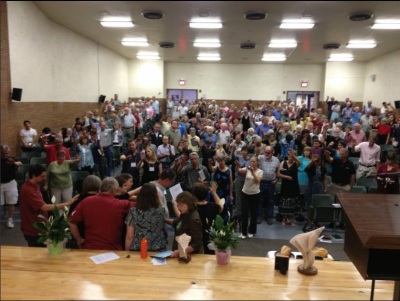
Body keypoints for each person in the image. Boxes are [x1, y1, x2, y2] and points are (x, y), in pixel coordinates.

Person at [69, 177, 135, 250]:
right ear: (114, 190)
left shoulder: (86, 201)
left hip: (89, 248)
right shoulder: (121, 204)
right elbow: (141, 206)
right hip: (113, 249)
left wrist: (79, 240)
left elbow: (71, 221)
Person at [19, 164, 78, 247]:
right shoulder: (28, 190)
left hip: (39, 227)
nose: (44, 179)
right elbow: (44, 207)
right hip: (33, 230)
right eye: (42, 176)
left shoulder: (34, 186)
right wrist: (67, 203)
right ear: (34, 176)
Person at [124, 183, 167, 252]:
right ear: (155, 195)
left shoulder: (134, 211)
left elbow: (130, 236)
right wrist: (158, 198)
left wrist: (126, 252)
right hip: (158, 248)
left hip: (139, 248)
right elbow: (166, 211)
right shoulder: (161, 210)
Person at [66, 175, 102, 249]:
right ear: (99, 186)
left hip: (80, 235)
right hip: (98, 237)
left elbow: (70, 221)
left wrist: (78, 239)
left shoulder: (76, 199)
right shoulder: (102, 200)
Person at [166, 191, 204, 257]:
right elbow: (178, 223)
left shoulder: (193, 219)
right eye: (178, 205)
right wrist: (165, 220)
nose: (179, 208)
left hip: (189, 256)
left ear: (188, 204)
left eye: (181, 205)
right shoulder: (185, 214)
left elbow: (196, 244)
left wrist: (179, 252)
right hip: (180, 252)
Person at [191, 182, 223, 254]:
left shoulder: (192, 210)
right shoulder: (213, 206)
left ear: (194, 197)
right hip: (212, 239)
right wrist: (214, 193)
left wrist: (175, 205)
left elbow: (181, 216)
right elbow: (220, 205)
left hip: (198, 240)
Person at [237, 155, 263, 239]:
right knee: (244, 213)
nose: (252, 163)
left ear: (257, 163)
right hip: (245, 193)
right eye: (251, 161)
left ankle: (251, 231)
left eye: (253, 161)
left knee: (253, 213)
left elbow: (258, 180)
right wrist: (237, 165)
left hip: (255, 194)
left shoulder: (260, 171)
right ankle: (244, 232)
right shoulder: (247, 168)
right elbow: (239, 171)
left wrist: (252, 172)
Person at [1, 145, 23, 229]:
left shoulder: (11, 159)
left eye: (7, 153)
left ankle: (10, 219)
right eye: (4, 153)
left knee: (11, 202)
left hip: (10, 183)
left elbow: (20, 163)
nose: (6, 154)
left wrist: (13, 163)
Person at [258, 146, 280, 225]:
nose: (266, 154)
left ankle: (269, 216)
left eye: (268, 153)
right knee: (260, 199)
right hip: (262, 182)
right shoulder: (260, 158)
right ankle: (259, 216)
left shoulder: (276, 160)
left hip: (271, 183)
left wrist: (277, 179)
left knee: (270, 200)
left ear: (272, 152)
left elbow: (278, 171)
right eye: (265, 152)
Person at [208, 154, 233, 224]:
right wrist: (210, 163)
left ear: (224, 161)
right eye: (219, 161)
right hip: (216, 191)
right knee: (215, 208)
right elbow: (211, 169)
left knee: (224, 208)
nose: (220, 162)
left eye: (221, 161)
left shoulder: (229, 171)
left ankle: (224, 225)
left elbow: (231, 183)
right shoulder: (216, 168)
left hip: (225, 192)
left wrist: (231, 194)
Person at [278, 150, 300, 227]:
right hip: (285, 185)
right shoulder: (283, 163)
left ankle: (292, 219)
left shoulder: (296, 163)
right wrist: (286, 177)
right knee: (285, 202)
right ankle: (284, 218)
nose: (290, 158)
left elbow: (299, 162)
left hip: (294, 185)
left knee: (293, 202)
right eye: (289, 156)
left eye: (292, 157)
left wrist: (293, 155)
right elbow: (278, 174)